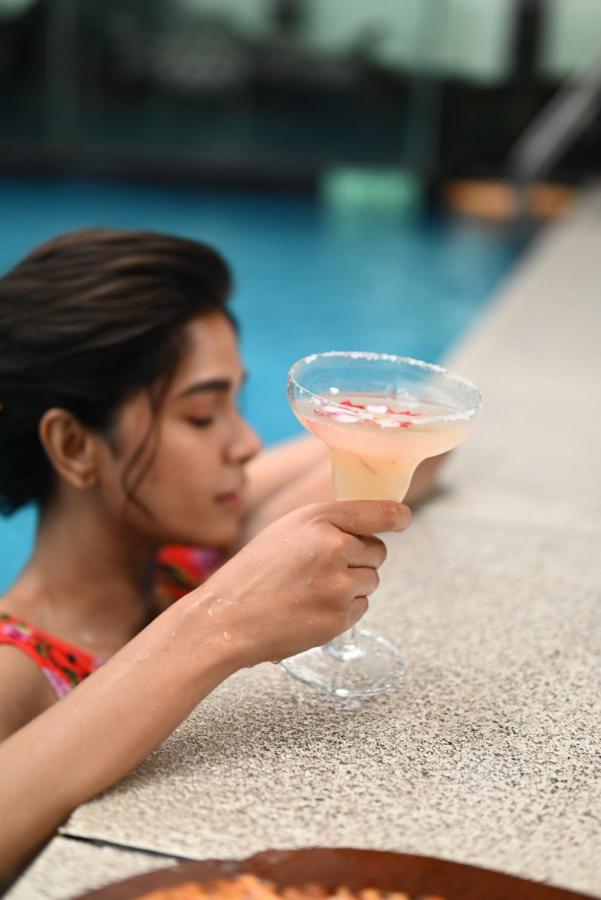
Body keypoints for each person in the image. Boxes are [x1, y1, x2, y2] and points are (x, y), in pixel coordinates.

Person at [0, 228, 438, 881]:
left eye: (236, 401)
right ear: (73, 446)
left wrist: (261, 537)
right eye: (202, 416)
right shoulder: (18, 668)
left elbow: (421, 451)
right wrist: (223, 618)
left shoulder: (186, 550)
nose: (246, 443)